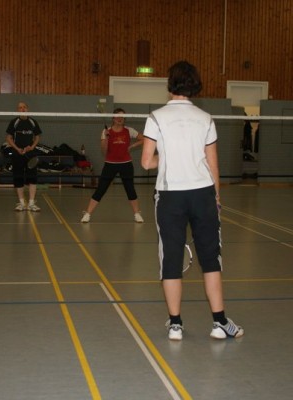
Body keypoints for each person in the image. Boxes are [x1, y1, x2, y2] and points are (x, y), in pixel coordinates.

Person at [141, 61, 244, 341]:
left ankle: (175, 324)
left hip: (170, 197)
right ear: (194, 85)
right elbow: (213, 164)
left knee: (170, 259)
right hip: (203, 195)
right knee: (211, 260)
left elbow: (146, 162)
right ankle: (219, 323)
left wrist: (167, 157)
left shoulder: (155, 117)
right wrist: (217, 199)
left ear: (170, 85)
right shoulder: (206, 118)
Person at [81, 108, 144, 223]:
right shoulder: (106, 131)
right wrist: (106, 138)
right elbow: (104, 151)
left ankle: (137, 214)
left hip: (126, 164)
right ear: (113, 118)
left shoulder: (129, 130)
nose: (120, 118)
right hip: (110, 165)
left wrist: (132, 146)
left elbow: (144, 139)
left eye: (122, 117)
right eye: (117, 116)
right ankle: (88, 214)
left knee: (130, 189)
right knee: (101, 189)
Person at [6, 102, 42, 211]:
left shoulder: (33, 122)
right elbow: (8, 138)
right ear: (17, 110)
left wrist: (32, 147)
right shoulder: (14, 122)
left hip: (30, 153)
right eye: (20, 107)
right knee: (18, 178)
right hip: (17, 153)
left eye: (24, 107)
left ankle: (31, 203)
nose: (22, 109)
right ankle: (21, 203)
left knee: (33, 178)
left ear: (27, 109)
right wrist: (17, 148)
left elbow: (37, 137)